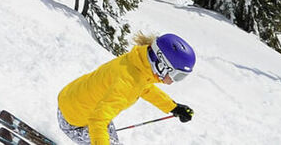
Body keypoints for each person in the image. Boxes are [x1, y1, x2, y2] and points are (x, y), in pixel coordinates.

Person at [56, 33, 199, 145]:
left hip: (76, 100)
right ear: (161, 65)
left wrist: (173, 107)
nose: (174, 81)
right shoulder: (127, 83)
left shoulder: (138, 64)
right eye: (177, 75)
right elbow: (97, 121)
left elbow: (144, 88)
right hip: (75, 120)